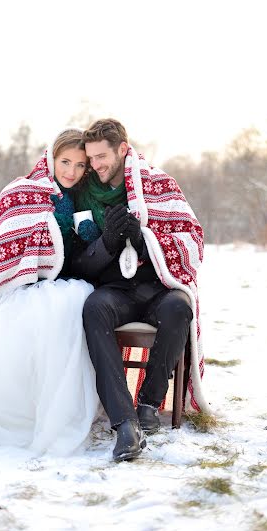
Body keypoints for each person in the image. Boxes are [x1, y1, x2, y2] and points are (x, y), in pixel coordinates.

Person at [0, 128, 100, 456]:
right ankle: (20, 413)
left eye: (80, 165)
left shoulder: (80, 199)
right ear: (50, 158)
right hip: (20, 286)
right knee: (51, 312)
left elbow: (85, 237)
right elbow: (2, 241)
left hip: (61, 283)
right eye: (65, 161)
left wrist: (93, 230)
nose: (71, 171)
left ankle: (58, 408)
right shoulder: (24, 190)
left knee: (77, 302)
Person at [73, 118, 211, 462]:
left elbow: (191, 241)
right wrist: (107, 243)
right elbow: (78, 264)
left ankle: (149, 402)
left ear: (123, 149)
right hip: (114, 290)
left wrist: (143, 240)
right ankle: (125, 421)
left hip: (156, 288)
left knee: (180, 306)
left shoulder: (159, 184)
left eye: (102, 156)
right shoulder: (85, 194)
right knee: (93, 307)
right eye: (91, 158)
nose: (96, 165)